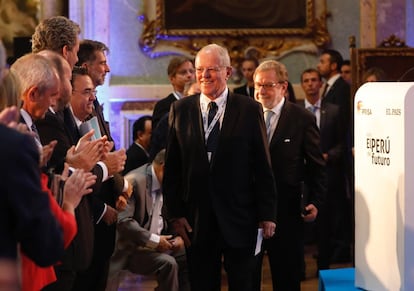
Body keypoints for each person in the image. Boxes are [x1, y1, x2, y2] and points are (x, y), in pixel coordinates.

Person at [163, 44, 277, 291]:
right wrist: (174, 214)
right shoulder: (180, 110)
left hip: (241, 217)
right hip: (197, 221)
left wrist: (267, 214)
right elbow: (172, 168)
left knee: (244, 284)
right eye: (199, 69)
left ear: (228, 72)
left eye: (211, 69)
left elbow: (262, 166)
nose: (204, 75)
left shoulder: (248, 109)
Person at [253, 60, 326, 291]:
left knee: (286, 278)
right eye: (257, 85)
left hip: (287, 213)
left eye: (267, 85)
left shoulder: (301, 118)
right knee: (248, 278)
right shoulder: (246, 114)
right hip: (250, 211)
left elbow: (317, 166)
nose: (261, 91)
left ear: (283, 87)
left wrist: (315, 201)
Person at [108, 150, 190, 291]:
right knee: (168, 263)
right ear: (164, 168)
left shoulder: (168, 186)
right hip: (130, 248)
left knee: (188, 255)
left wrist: (176, 238)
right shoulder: (135, 181)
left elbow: (169, 218)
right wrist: (155, 241)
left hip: (156, 244)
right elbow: (123, 221)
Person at [299, 68, 347, 272]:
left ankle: (324, 269)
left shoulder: (334, 110)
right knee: (298, 228)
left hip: (326, 176)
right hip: (300, 177)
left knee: (324, 226)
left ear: (320, 84)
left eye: (314, 80)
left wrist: (328, 156)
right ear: (302, 85)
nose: (310, 84)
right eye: (306, 80)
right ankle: (298, 270)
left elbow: (342, 143)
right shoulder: (295, 111)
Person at [317, 49, 353, 264]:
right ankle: (331, 249)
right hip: (328, 158)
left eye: (322, 62)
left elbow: (342, 127)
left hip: (336, 160)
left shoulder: (340, 88)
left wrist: (333, 153)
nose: (319, 64)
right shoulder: (329, 87)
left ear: (333, 65)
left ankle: (339, 250)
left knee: (338, 207)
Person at [151, 56, 195, 130]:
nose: (189, 75)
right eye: (183, 72)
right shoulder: (163, 106)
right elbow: (160, 136)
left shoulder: (201, 100)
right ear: (172, 79)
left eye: (191, 71)